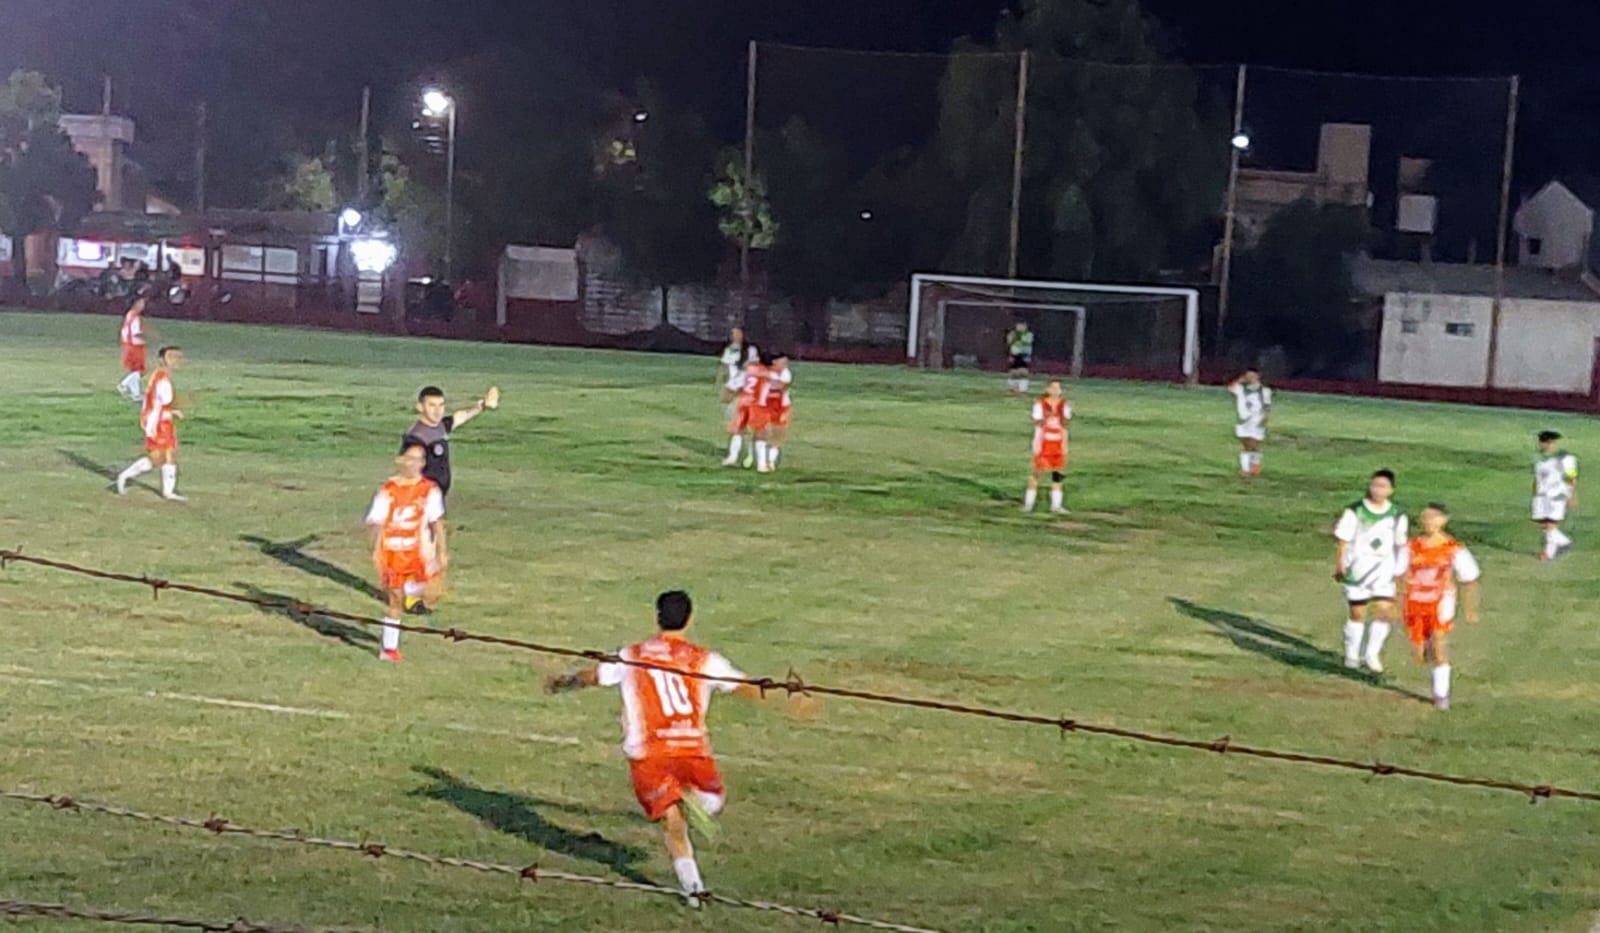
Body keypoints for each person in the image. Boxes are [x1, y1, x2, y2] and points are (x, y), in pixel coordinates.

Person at [545, 590, 793, 907]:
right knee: (713, 800)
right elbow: (744, 687)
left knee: (671, 821)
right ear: (690, 619)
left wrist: (562, 683)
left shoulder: (632, 654)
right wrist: (786, 696)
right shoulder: (704, 659)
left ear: (657, 617)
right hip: (690, 749)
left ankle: (693, 890)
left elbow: (594, 676)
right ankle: (695, 807)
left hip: (648, 755)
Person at [365, 444, 447, 663]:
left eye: (417, 460)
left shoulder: (429, 490)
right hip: (392, 554)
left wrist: (441, 552)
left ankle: (411, 589)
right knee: (395, 601)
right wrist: (375, 550)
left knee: (432, 595)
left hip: (418, 554)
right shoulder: (388, 490)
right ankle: (389, 649)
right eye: (408, 459)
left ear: (422, 464)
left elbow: (437, 522)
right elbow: (376, 523)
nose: (412, 464)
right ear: (401, 461)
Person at [1397, 503, 1481, 711]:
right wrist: (1394, 601)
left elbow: (1469, 579)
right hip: (1415, 603)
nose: (1429, 522)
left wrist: (1470, 608)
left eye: (1433, 517)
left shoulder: (1453, 549)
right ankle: (1427, 648)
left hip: (1441, 602)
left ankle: (1441, 695)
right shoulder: (1410, 547)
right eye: (1425, 517)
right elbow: (1398, 575)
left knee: (1439, 643)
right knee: (1419, 654)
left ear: (1443, 520)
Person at [1332, 469, 1408, 672]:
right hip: (1358, 568)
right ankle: (1352, 655)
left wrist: (1401, 571)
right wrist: (1340, 563)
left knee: (1384, 611)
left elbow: (1401, 544)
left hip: (1384, 570)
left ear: (1391, 490)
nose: (1377, 490)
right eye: (1374, 485)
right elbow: (1344, 539)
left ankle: (1372, 655)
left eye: (1382, 486)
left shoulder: (1397, 515)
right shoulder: (1355, 511)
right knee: (1358, 612)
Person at [400, 384, 500, 500]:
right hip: (421, 500)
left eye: (441, 405)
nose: (437, 411)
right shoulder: (416, 438)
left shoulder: (440, 427)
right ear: (420, 407)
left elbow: (461, 416)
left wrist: (482, 405)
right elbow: (407, 472)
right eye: (432, 405)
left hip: (435, 498)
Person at [115, 346, 186, 501]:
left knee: (169, 454)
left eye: (177, 357)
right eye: (171, 357)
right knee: (157, 457)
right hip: (157, 423)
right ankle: (125, 476)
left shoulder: (162, 377)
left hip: (163, 421)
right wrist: (171, 412)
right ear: (162, 359)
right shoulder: (160, 378)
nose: (175, 360)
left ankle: (168, 492)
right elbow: (156, 405)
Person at [1024, 380, 1071, 514]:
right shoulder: (1040, 404)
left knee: (1058, 473)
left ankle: (1056, 505)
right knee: (1037, 473)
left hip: (1058, 443)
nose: (1056, 391)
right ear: (1048, 390)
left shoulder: (1064, 404)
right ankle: (1029, 504)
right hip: (1043, 443)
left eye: (1058, 388)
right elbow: (1037, 422)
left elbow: (1065, 423)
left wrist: (1065, 442)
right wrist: (1048, 416)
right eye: (1053, 388)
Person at [1532, 430, 1578, 560]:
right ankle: (1563, 541)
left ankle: (1549, 553)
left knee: (1550, 523)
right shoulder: (1539, 458)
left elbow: (1571, 477)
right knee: (1543, 524)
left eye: (1546, 442)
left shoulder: (1564, 458)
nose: (1542, 445)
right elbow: (1537, 477)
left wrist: (1572, 495)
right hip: (1541, 494)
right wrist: (1535, 491)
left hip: (1556, 494)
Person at [722, 355, 769, 468]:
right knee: (760, 432)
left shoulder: (746, 371)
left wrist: (728, 399)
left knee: (739, 429)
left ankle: (732, 457)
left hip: (744, 403)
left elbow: (732, 387)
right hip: (759, 404)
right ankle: (762, 464)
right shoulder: (767, 372)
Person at [1227, 368, 1272, 477]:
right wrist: (1240, 380)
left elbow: (1267, 406)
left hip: (1257, 421)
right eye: (1248, 376)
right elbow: (1230, 388)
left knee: (1254, 445)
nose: (1250, 378)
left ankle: (1250, 467)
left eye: (1252, 376)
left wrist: (1265, 419)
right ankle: (1250, 468)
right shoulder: (1241, 389)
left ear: (1258, 376)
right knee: (1246, 445)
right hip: (1243, 421)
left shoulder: (1264, 391)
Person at [759, 352, 792, 473]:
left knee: (778, 434)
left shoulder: (785, 373)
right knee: (763, 432)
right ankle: (762, 461)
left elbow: (782, 386)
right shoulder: (765, 371)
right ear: (774, 362)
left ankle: (771, 461)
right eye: (783, 362)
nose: (785, 365)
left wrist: (770, 379)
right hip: (765, 405)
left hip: (782, 406)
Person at [717, 327, 758, 423]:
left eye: (738, 333)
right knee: (725, 399)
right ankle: (734, 419)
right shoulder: (729, 350)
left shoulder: (751, 349)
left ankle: (741, 420)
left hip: (745, 379)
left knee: (740, 399)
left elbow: (756, 363)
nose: (736, 336)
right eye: (734, 334)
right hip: (733, 379)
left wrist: (749, 364)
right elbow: (725, 365)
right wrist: (721, 378)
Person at [117, 296, 148, 403]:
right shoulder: (135, 317)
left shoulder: (129, 315)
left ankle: (136, 394)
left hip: (129, 345)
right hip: (135, 346)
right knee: (140, 371)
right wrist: (147, 337)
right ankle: (124, 384)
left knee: (135, 371)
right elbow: (136, 333)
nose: (143, 305)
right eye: (141, 303)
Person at [1005, 322, 1034, 396]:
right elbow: (1009, 342)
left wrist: (1017, 338)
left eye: (1023, 326)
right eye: (1019, 325)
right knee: (1013, 373)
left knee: (1023, 373)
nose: (1021, 327)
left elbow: (1026, 342)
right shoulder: (1012, 334)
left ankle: (1022, 391)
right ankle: (1012, 390)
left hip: (1024, 355)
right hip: (1014, 354)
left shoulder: (1029, 334)